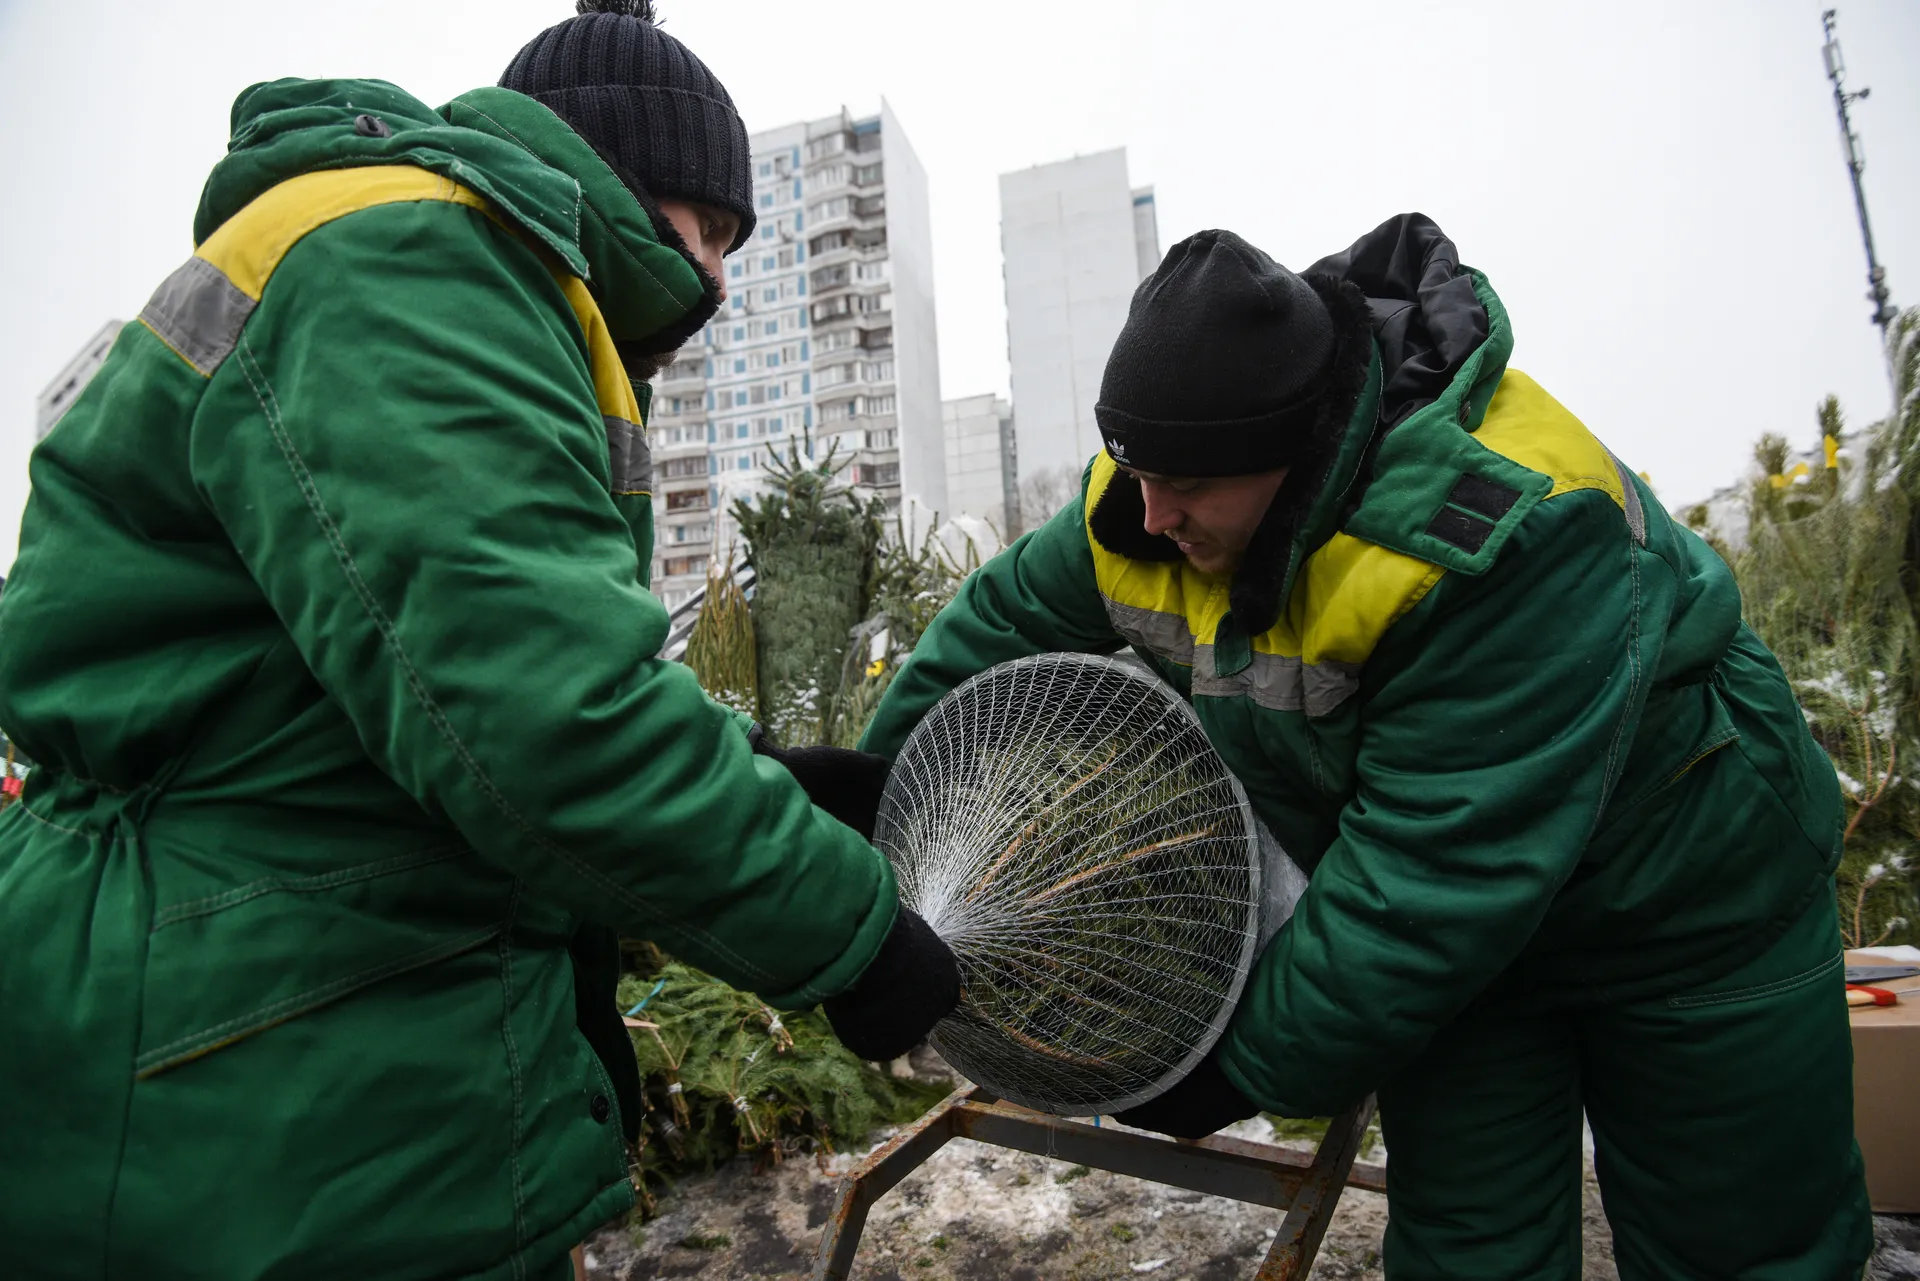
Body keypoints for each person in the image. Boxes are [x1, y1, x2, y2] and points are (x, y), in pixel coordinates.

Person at [0, 3, 956, 1277]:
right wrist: (849, 932)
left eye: (733, 241)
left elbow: (416, 679)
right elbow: (544, 726)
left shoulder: (457, 281)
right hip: (245, 1078)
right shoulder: (415, 261)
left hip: (301, 1037)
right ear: (603, 170)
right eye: (701, 226)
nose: (720, 278)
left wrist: (757, 772)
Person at [857, 219, 1873, 1280]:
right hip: (1467, 970)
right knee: (1470, 1249)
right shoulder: (1157, 495)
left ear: (1293, 453)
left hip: (1689, 900)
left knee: (1745, 1246)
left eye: (1188, 485)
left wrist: (1235, 1068)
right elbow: (1000, 621)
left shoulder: (1506, 533)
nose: (1151, 515)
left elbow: (1426, 878)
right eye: (1135, 469)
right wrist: (879, 804)